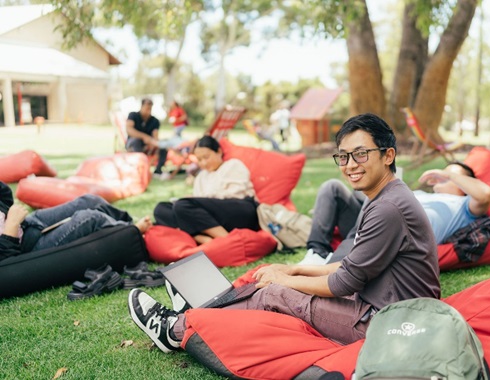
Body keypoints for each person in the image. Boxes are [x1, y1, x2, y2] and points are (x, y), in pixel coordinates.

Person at [128, 113, 441, 351]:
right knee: (277, 279)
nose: (349, 165)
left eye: (361, 154)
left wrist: (286, 279)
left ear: (388, 155)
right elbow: (353, 265)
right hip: (387, 307)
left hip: (392, 324)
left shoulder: (388, 207)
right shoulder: (388, 197)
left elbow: (346, 280)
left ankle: (175, 329)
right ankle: (204, 309)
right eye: (343, 156)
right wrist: (293, 267)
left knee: (276, 292)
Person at [299, 161, 490, 265]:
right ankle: (316, 253)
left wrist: (448, 173)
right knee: (332, 187)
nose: (441, 175)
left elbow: (485, 194)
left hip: (396, 239)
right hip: (375, 222)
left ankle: (337, 263)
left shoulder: (464, 206)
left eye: (451, 175)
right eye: (443, 172)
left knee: (382, 192)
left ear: (465, 184)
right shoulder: (420, 194)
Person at [0, 182, 151, 261]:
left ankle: (127, 221)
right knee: (89, 218)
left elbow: (5, 197)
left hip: (25, 224)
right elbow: (5, 259)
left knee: (89, 200)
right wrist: (11, 227)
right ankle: (132, 231)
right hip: (22, 245)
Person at [152, 135, 259, 245]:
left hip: (240, 209)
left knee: (183, 205)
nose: (203, 163)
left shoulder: (233, 165)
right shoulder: (201, 176)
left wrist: (200, 200)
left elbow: (237, 193)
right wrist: (196, 201)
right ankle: (201, 237)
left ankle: (228, 241)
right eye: (199, 160)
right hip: (212, 217)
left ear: (218, 151)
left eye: (206, 157)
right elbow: (196, 210)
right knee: (161, 209)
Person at [126, 98, 168, 179]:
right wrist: (144, 137)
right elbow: (129, 130)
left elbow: (155, 136)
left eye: (150, 108)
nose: (148, 110)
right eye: (146, 107)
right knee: (136, 141)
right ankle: (139, 169)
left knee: (163, 146)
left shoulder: (155, 121)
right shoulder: (133, 115)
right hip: (133, 144)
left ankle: (158, 171)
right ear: (141, 106)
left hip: (148, 144)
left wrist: (154, 143)